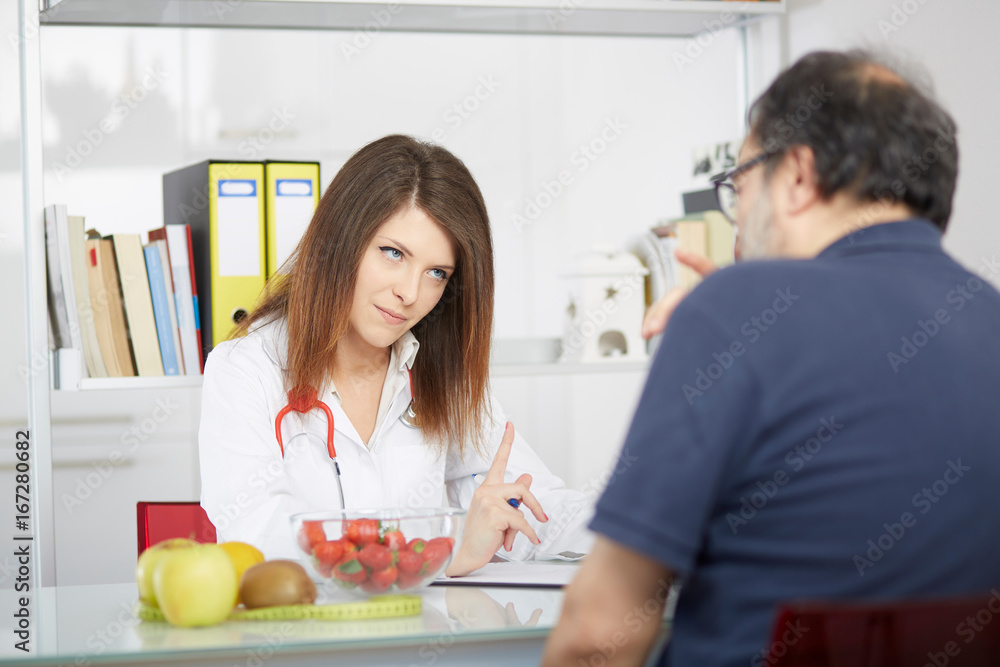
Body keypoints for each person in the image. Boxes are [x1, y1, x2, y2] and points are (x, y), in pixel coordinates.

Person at [543, 50, 1000, 666]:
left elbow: (598, 637)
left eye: (739, 184)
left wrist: (729, 327)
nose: (739, 221)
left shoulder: (733, 310)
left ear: (798, 176)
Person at [199, 135, 593, 576]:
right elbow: (262, 541)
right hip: (301, 641)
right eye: (393, 253)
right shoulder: (245, 371)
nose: (409, 293)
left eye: (437, 273)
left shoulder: (439, 375)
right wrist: (445, 553)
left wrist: (650, 532)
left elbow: (542, 508)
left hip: (423, 638)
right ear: (340, 239)